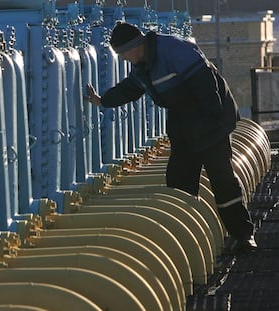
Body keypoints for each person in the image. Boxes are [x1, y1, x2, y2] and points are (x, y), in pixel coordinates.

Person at [85, 21, 257, 253]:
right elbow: (130, 89)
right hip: (182, 118)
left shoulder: (174, 50)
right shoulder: (142, 66)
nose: (124, 59)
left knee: (222, 178)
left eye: (123, 53)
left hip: (209, 117)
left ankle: (243, 235)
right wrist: (102, 100)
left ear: (135, 46)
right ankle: (187, 239)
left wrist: (211, 124)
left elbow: (207, 85)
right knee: (179, 180)